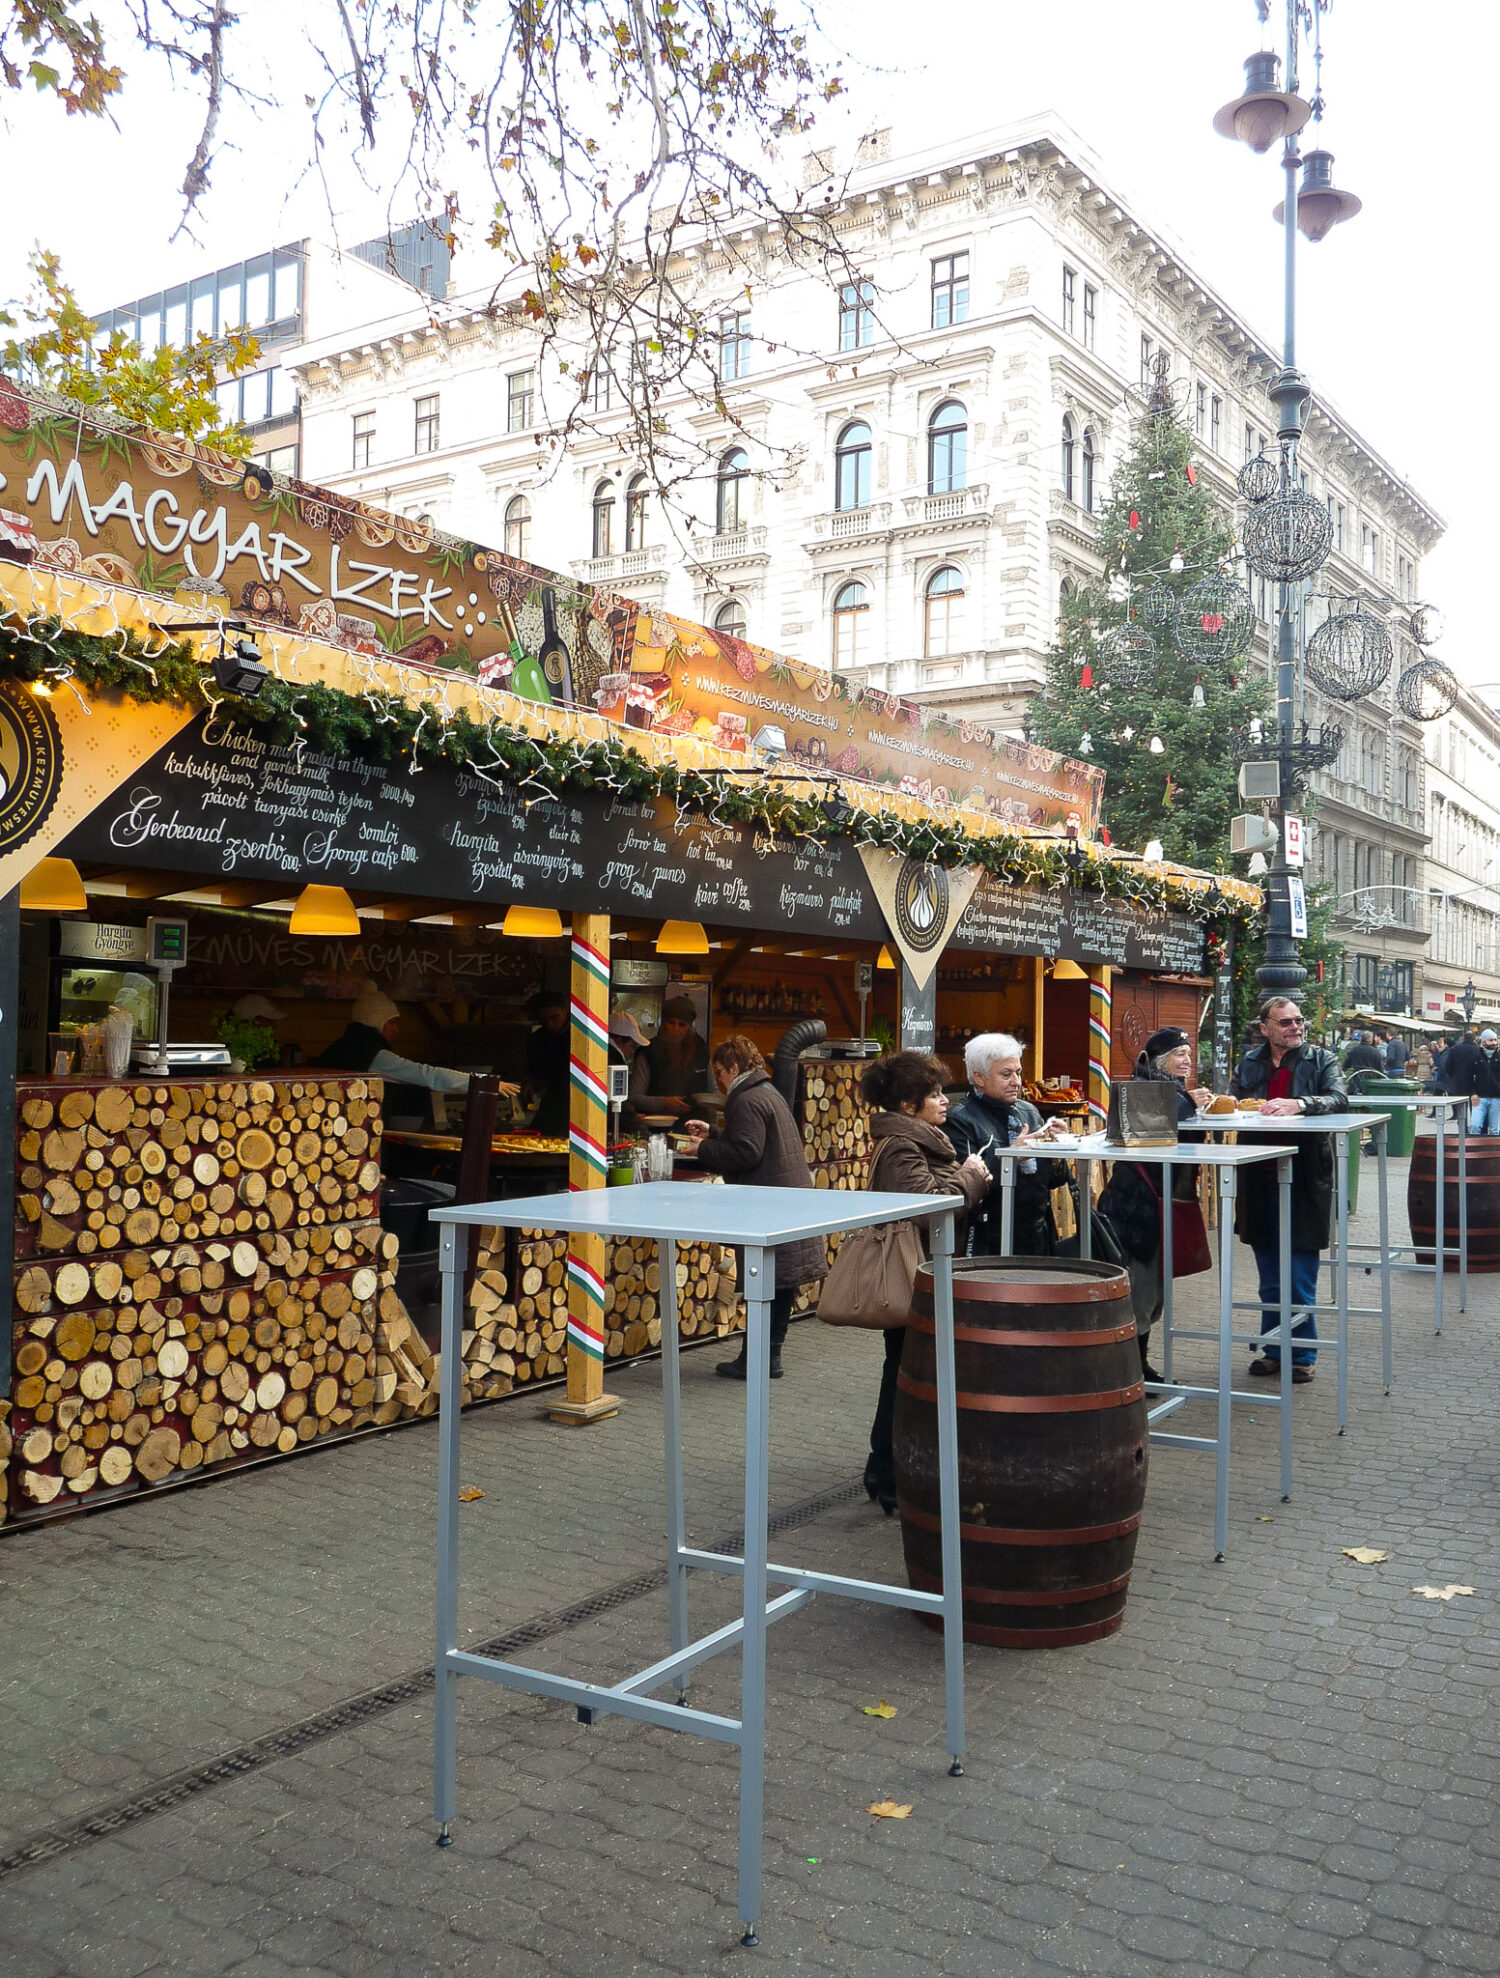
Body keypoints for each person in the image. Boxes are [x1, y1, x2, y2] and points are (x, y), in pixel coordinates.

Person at [856, 1050, 991, 1516]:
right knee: (905, 1371)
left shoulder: (923, 1141)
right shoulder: (901, 1146)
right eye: (932, 1095)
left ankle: (891, 1471)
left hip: (928, 1273)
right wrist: (971, 1178)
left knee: (907, 1368)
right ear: (908, 1106)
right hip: (912, 1275)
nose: (943, 1101)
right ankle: (888, 1473)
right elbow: (932, 1206)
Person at [684, 1036, 827, 1381]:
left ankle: (757, 1360)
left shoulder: (745, 1098)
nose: (718, 1079)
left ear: (734, 1068)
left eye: (720, 1071)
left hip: (768, 1203)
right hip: (785, 1200)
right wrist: (716, 1133)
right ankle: (766, 1358)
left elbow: (747, 1152)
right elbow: (751, 1141)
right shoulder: (766, 1091)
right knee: (779, 1285)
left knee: (769, 1285)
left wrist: (702, 1149)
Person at [1230, 995, 1348, 1382]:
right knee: (1269, 1276)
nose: (1296, 1027)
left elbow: (1339, 1098)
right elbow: (1235, 1101)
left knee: (1298, 1273)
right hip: (1258, 1175)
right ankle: (1274, 1349)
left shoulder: (1321, 1059)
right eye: (1286, 1023)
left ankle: (1302, 1353)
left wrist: (1300, 1103)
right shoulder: (1249, 1061)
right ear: (1265, 1028)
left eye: (1299, 1020)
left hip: (1305, 1175)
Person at [1097, 1026, 1213, 1384]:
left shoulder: (1175, 1089)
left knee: (1152, 1292)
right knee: (1141, 1290)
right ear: (1162, 1059)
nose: (1187, 1061)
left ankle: (1138, 1367)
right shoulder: (1143, 1087)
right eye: (1180, 1054)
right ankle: (1129, 1372)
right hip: (1137, 1204)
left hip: (1159, 1202)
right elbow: (1161, 1118)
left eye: (1189, 1055)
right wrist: (1191, 1103)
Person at [945, 1032, 1068, 1260]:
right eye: (1006, 1074)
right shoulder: (960, 1120)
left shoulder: (1028, 1111)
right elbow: (967, 1187)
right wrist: (1012, 1155)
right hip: (989, 1238)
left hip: (1037, 1235)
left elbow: (1053, 1181)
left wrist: (1057, 1153)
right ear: (979, 1078)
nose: (1017, 1082)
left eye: (1018, 1072)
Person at [318, 984, 506, 1102]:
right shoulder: (373, 1056)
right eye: (391, 1022)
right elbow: (427, 1075)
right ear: (375, 1022)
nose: (396, 1029)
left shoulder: (339, 1047)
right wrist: (481, 1083)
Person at [642, 994, 711, 1118]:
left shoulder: (701, 1049)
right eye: (671, 1023)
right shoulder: (649, 1050)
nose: (675, 1029)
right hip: (658, 1127)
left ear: (689, 1027)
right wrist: (663, 1103)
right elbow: (634, 1097)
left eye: (682, 1024)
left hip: (696, 1126)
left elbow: (713, 1089)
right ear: (663, 1024)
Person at [606, 1010, 652, 1133]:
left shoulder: (604, 1054)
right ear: (619, 1041)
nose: (632, 1052)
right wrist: (643, 1133)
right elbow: (620, 1106)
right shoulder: (613, 1061)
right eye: (632, 1046)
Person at [1452, 1027, 1500, 1135]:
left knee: (1495, 1130)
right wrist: (1473, 1093)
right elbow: (1467, 1077)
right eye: (1491, 1040)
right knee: (1475, 1125)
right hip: (1479, 1098)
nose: (1494, 1043)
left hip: (1497, 1098)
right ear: (1483, 1041)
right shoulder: (1476, 1056)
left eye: (1495, 1040)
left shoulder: (1498, 1056)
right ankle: (1474, 1150)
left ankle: (1494, 1151)